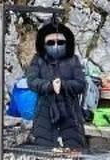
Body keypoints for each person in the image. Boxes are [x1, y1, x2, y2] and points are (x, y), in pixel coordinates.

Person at [25, 20, 87, 150]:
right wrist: (49, 85)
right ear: (44, 43)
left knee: (73, 152)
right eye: (51, 42)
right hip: (44, 114)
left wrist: (63, 85)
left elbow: (81, 83)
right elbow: (31, 80)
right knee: (45, 152)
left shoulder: (73, 60)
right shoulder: (38, 60)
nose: (56, 45)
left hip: (71, 115)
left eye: (60, 42)